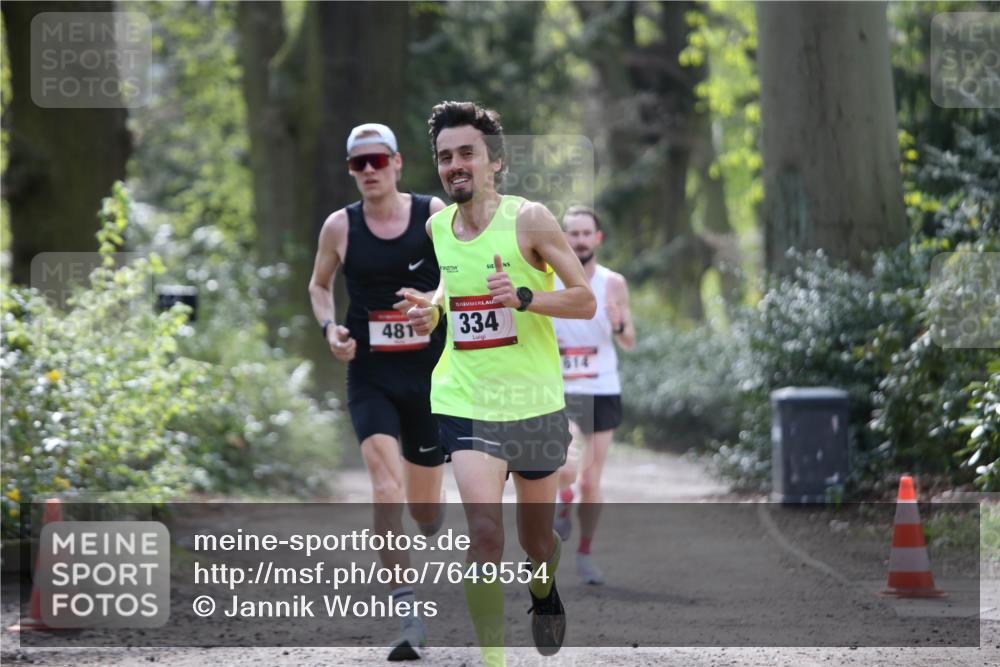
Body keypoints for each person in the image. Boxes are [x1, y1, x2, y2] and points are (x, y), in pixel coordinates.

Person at [404, 101, 596, 666]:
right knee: (485, 534)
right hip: (464, 399)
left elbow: (584, 300)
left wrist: (525, 297)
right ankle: (494, 660)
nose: (455, 164)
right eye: (445, 156)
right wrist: (434, 311)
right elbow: (450, 282)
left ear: (495, 163)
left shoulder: (530, 219)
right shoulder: (438, 226)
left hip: (533, 403)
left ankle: (544, 587)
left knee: (537, 543)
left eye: (467, 153)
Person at [308, 122, 447, 661]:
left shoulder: (432, 214)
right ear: (351, 170)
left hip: (430, 375)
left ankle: (430, 519)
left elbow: (456, 275)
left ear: (397, 162)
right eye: (357, 164)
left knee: (426, 511)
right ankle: (408, 612)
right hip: (369, 374)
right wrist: (330, 330)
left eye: (377, 160)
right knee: (386, 488)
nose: (368, 170)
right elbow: (320, 285)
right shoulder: (340, 227)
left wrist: (433, 303)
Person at [551, 205, 635, 586]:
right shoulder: (548, 279)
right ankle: (562, 500)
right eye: (573, 233)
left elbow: (629, 340)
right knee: (566, 468)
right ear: (563, 238)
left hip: (602, 387)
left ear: (597, 239)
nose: (580, 240)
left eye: (587, 234)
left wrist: (618, 322)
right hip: (561, 389)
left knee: (592, 481)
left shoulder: (612, 282)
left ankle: (585, 552)